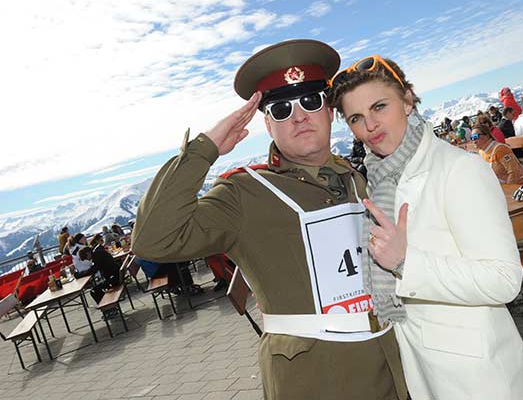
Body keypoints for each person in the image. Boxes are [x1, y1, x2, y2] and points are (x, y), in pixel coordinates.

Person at [131, 39, 407, 400]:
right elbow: (153, 238)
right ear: (267, 125)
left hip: (389, 365)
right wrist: (206, 147)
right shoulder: (245, 193)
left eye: (310, 101)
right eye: (280, 109)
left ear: (328, 111)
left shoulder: (354, 178)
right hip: (316, 381)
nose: (298, 115)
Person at [326, 54, 523, 400]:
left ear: (407, 101)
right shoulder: (378, 178)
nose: (369, 126)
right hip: (421, 371)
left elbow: (504, 280)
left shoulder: (459, 171)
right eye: (356, 118)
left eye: (379, 107)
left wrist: (407, 263)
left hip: (474, 380)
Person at [75, 235, 121, 303]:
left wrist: (79, 275)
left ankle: (107, 306)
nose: (88, 260)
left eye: (86, 258)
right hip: (116, 274)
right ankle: (108, 305)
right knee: (98, 288)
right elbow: (94, 268)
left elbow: (93, 270)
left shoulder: (97, 256)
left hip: (114, 278)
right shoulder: (97, 253)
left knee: (94, 291)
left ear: (88, 254)